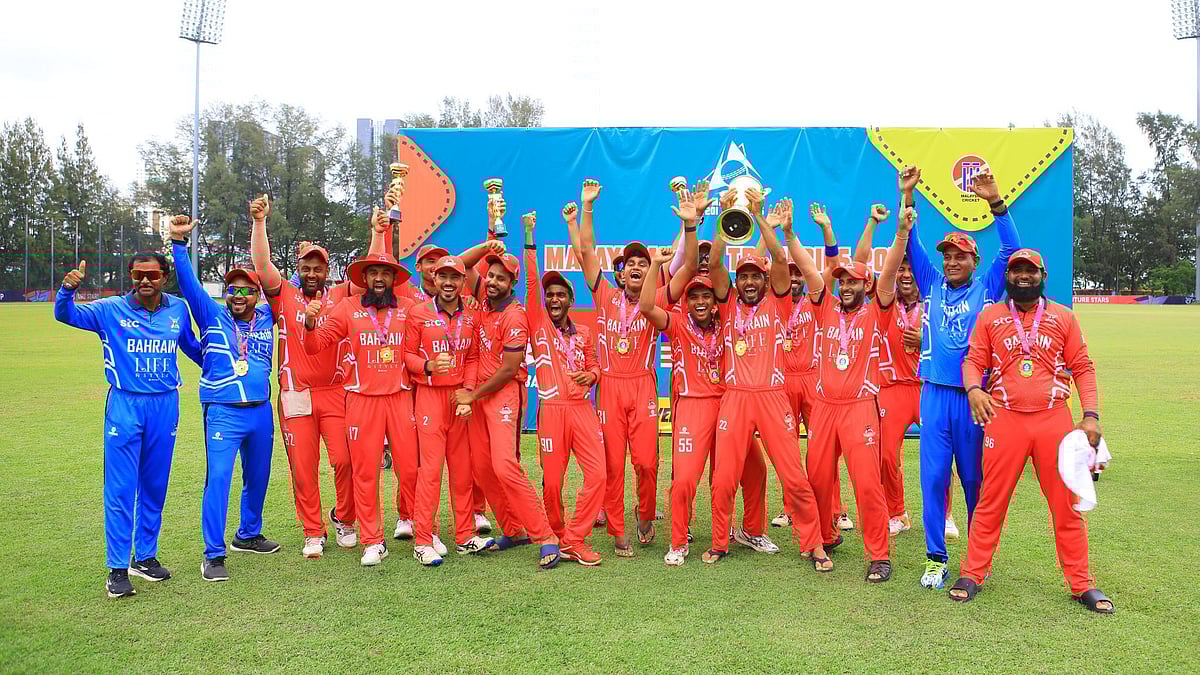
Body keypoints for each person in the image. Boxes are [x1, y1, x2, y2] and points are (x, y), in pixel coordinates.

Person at [950, 249, 1112, 614]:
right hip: (1004, 418)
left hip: (1053, 419)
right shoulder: (991, 316)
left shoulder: (1063, 317)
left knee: (1067, 504)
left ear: (1042, 276)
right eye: (1016, 270)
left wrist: (1090, 416)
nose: (1023, 276)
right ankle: (973, 573)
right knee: (991, 500)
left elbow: (1083, 367)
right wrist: (974, 389)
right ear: (1008, 276)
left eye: (1031, 271)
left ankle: (1081, 583)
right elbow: (973, 360)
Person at [54, 254, 203, 598]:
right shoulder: (110, 309)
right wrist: (66, 291)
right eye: (138, 274)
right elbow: (66, 315)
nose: (145, 280)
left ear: (165, 276)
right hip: (125, 404)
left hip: (165, 404)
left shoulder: (178, 310)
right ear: (131, 276)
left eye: (152, 274)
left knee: (154, 485)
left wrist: (223, 362)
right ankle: (118, 568)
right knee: (121, 488)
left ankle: (145, 557)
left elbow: (191, 347)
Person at [901, 166, 1021, 589]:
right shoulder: (931, 282)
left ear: (975, 261)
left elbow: (1012, 248)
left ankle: (976, 558)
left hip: (974, 399)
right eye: (947, 256)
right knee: (933, 479)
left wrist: (995, 202)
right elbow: (911, 242)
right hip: (934, 395)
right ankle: (936, 558)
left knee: (974, 480)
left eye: (961, 256)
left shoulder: (988, 287)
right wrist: (908, 196)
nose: (952, 262)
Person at [703, 196, 827, 569]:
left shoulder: (779, 303)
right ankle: (720, 542)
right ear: (737, 281)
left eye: (756, 276)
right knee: (724, 478)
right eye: (744, 276)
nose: (749, 281)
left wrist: (759, 217)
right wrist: (724, 220)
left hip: (773, 399)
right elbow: (714, 264)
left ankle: (814, 544)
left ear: (766, 280)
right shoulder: (726, 304)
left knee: (793, 476)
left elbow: (779, 260)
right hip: (736, 398)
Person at [572, 179, 696, 553]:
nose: (638, 267)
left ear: (651, 270)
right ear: (621, 273)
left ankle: (645, 513)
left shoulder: (658, 298)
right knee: (612, 462)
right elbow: (587, 251)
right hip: (609, 387)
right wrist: (588, 206)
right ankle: (617, 528)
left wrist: (690, 225)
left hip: (642, 386)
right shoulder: (604, 294)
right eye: (631, 264)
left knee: (645, 461)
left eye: (644, 263)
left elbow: (689, 267)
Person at [796, 201, 907, 582]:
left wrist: (900, 233)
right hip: (824, 406)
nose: (845, 287)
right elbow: (810, 270)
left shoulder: (877, 311)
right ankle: (824, 537)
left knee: (867, 484)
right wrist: (790, 235)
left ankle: (879, 555)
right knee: (817, 478)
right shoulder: (825, 308)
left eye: (853, 282)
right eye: (842, 282)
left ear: (866, 286)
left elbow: (888, 272)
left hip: (860, 408)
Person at [169, 216, 280, 583]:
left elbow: (290, 288)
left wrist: (261, 224)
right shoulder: (212, 314)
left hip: (260, 411)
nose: (239, 295)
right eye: (233, 289)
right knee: (218, 478)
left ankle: (248, 534)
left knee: (258, 476)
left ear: (257, 295)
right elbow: (188, 284)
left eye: (247, 290)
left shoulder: (268, 316)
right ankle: (213, 554)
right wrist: (179, 245)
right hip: (223, 412)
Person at [247, 194, 356, 560]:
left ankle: (344, 518)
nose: (312, 273)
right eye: (306, 267)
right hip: (295, 393)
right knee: (303, 468)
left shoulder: (341, 295)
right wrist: (260, 222)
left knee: (345, 460)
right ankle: (313, 531)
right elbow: (262, 266)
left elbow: (373, 269)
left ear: (327, 271)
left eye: (318, 268)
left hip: (334, 391)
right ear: (299, 268)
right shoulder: (285, 294)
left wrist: (379, 231)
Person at [457, 211, 562, 569]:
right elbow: (460, 264)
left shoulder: (515, 315)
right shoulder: (481, 298)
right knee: (482, 468)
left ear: (512, 282)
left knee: (505, 466)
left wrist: (472, 395)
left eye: (501, 278)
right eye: (490, 275)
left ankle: (546, 536)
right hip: (480, 396)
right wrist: (488, 246)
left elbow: (507, 370)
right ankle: (513, 529)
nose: (492, 281)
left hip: (502, 393)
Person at [302, 251, 416, 566]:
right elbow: (314, 346)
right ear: (364, 278)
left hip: (400, 397)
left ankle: (424, 534)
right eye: (373, 273)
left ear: (394, 279)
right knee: (365, 473)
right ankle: (372, 541)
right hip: (361, 399)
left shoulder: (409, 308)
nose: (379, 279)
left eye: (385, 273)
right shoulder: (348, 308)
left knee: (409, 470)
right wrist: (309, 323)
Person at [525, 209, 607, 565]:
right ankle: (555, 534)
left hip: (582, 410)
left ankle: (574, 539)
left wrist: (592, 376)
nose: (554, 299)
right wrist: (530, 237)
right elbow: (531, 284)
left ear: (570, 301)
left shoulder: (584, 332)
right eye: (550, 295)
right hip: (552, 412)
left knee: (598, 474)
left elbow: (594, 365)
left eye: (561, 294)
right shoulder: (538, 326)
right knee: (553, 481)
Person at [404, 256, 495, 565]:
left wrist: (468, 392)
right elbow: (407, 355)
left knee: (462, 470)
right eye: (443, 277)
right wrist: (428, 365)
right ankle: (423, 540)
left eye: (454, 277)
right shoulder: (419, 313)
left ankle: (465, 536)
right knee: (430, 472)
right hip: (430, 397)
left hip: (459, 399)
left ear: (462, 282)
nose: (448, 283)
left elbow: (473, 357)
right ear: (434, 278)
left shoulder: (471, 316)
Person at [853, 204, 924, 535]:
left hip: (925, 387)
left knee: (940, 452)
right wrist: (872, 223)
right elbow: (859, 263)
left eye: (911, 269)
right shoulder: (881, 302)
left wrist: (925, 340)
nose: (906, 274)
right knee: (884, 457)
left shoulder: (932, 303)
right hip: (890, 388)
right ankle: (897, 512)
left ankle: (947, 514)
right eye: (901, 268)